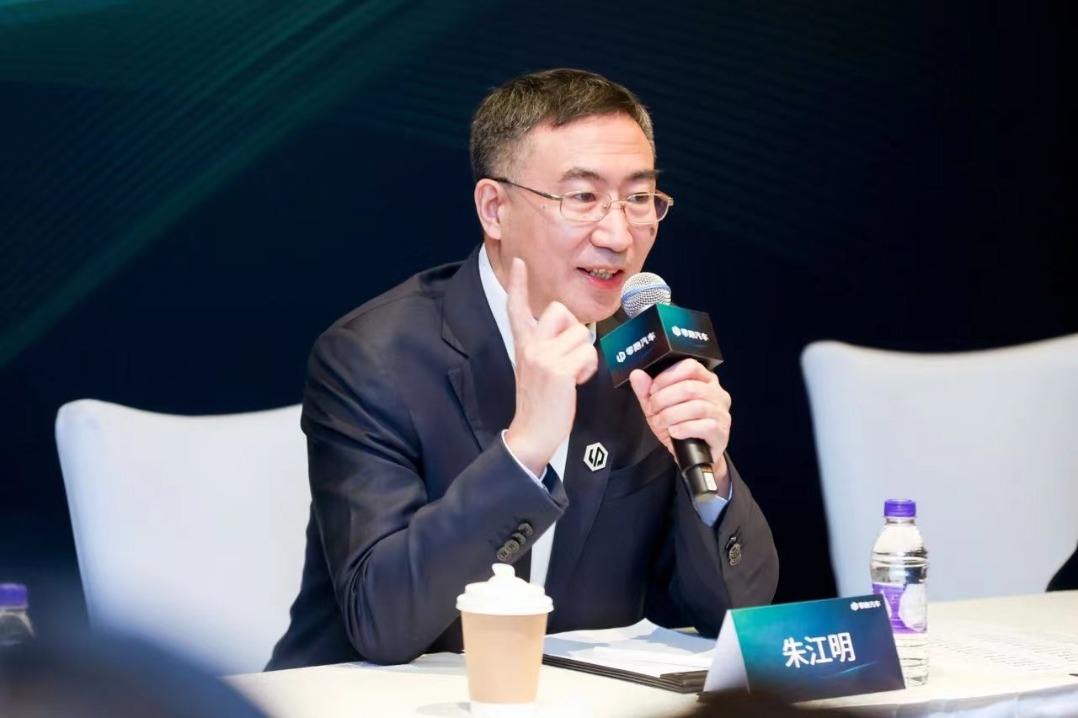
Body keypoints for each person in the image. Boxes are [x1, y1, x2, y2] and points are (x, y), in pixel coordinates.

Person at [267, 68, 779, 670]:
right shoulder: (374, 356)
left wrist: (709, 474)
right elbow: (382, 622)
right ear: (495, 209)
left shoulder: (644, 349)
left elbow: (736, 617)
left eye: (639, 198)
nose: (619, 235)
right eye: (583, 198)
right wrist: (525, 450)